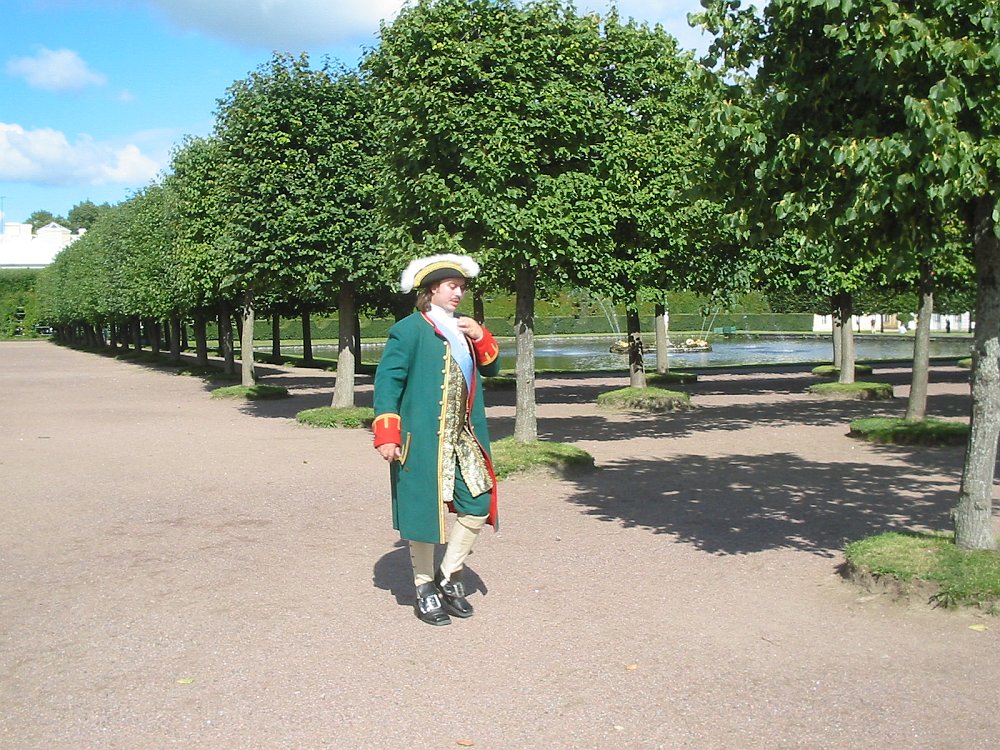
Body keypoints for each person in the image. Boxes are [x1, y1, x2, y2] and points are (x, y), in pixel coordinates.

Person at [372, 254, 501, 626]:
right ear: (431, 290)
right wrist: (387, 434)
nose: (458, 293)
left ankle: (448, 573)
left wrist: (481, 335)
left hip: (463, 438)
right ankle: (424, 586)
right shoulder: (409, 330)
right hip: (422, 441)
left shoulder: (464, 329)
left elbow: (493, 368)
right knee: (423, 514)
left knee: (478, 502)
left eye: (461, 287)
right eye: (451, 287)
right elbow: (388, 383)